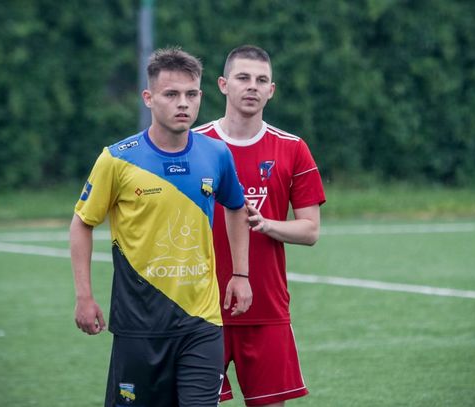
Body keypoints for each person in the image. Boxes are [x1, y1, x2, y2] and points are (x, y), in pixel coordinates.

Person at [70, 47, 252, 407]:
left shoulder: (216, 154)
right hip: (138, 326)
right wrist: (84, 296)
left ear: (201, 96)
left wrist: (241, 274)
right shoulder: (117, 159)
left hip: (201, 323)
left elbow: (236, 207)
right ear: (149, 98)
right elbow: (82, 224)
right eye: (171, 94)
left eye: (191, 94)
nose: (183, 103)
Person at [194, 45, 326, 407]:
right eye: (243, 77)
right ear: (223, 85)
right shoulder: (194, 144)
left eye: (261, 80)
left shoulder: (293, 148)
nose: (252, 86)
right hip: (200, 308)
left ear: (271, 90)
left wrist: (265, 224)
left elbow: (310, 230)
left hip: (267, 308)